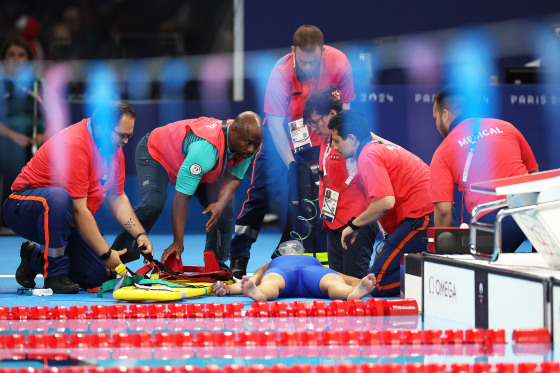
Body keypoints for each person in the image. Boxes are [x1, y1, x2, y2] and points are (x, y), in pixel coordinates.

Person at [230, 24, 355, 278]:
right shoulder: (279, 73)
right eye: (303, 62)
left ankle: (319, 258)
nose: (308, 69)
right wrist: (291, 164)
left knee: (323, 198)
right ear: (292, 51)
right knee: (260, 196)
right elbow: (275, 124)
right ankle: (238, 258)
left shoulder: (339, 62)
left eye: (313, 62)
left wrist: (334, 147)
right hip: (282, 140)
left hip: (321, 137)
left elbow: (346, 111)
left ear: (322, 51)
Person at [3, 101, 154, 293]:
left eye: (129, 136)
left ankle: (33, 258)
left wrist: (140, 235)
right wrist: (107, 253)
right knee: (59, 199)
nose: (125, 142)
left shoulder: (114, 151)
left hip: (65, 218)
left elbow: (117, 198)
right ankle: (55, 274)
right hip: (24, 206)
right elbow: (79, 210)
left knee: (97, 276)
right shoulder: (75, 144)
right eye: (121, 135)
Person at [110, 112, 264, 269]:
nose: (252, 149)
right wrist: (178, 242)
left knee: (224, 208)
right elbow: (181, 198)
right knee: (153, 204)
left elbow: (233, 178)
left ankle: (216, 263)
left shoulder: (246, 139)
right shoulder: (206, 152)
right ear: (233, 132)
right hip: (155, 153)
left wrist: (220, 204)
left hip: (191, 162)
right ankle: (114, 260)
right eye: (248, 144)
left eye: (256, 144)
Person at [329, 110, 434, 297]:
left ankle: (437, 274)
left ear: (352, 139)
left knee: (377, 285)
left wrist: (353, 225)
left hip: (422, 217)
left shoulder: (367, 156)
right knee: (379, 273)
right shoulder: (377, 148)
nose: (334, 148)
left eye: (336, 141)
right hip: (422, 216)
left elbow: (385, 203)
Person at [430, 87, 538, 252]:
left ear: (445, 115)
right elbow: (534, 176)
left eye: (435, 118)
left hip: (494, 220)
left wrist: (443, 251)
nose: (436, 124)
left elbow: (443, 212)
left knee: (470, 271)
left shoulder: (443, 151)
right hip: (532, 212)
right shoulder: (506, 127)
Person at [302, 85, 384, 279]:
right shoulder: (327, 139)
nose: (312, 129)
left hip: (358, 222)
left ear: (331, 114)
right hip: (333, 221)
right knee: (337, 283)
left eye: (314, 122)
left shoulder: (352, 138)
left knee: (356, 283)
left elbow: (381, 146)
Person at [0, 37, 45, 231]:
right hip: (6, 138)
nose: (16, 59)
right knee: (10, 155)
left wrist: (44, 137)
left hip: (36, 137)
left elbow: (55, 115)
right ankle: (7, 220)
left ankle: (38, 220)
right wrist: (13, 136)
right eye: (11, 55)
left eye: (21, 55)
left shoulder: (38, 84)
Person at [212, 254, 375, 301]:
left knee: (271, 282)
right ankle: (350, 294)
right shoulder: (315, 261)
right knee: (332, 282)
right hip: (314, 272)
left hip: (283, 272)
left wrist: (227, 289)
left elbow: (250, 282)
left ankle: (260, 295)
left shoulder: (271, 263)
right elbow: (348, 278)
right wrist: (356, 285)